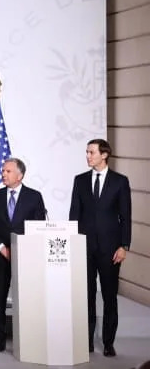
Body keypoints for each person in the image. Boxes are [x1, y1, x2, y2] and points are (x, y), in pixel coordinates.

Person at [69, 139, 131, 357]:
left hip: (110, 249)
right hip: (84, 248)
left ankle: (108, 342)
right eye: (86, 152)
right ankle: (86, 341)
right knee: (86, 296)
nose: (87, 156)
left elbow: (126, 217)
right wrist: (72, 243)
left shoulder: (120, 182)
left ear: (104, 155)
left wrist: (124, 246)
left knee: (109, 296)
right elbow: (74, 215)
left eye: (91, 152)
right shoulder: (80, 180)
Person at [0, 157, 46, 353]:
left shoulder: (34, 197)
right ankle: (0, 338)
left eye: (8, 171)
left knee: (26, 296)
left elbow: (38, 225)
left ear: (20, 175)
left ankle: (28, 335)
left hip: (25, 255)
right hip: (0, 255)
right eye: (3, 171)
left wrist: (21, 248)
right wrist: (2, 247)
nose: (3, 174)